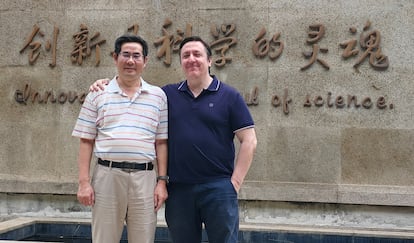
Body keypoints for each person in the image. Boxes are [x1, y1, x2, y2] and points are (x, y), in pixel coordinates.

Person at [90, 36, 257, 243]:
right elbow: (134, 87)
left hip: (218, 188)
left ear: (210, 61)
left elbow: (249, 140)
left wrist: (235, 182)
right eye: (186, 55)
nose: (191, 59)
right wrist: (104, 83)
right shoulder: (166, 95)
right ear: (181, 62)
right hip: (179, 190)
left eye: (197, 54)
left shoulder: (229, 96)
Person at [72, 34, 168, 243]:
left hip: (145, 179)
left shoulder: (158, 96)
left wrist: (162, 182)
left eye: (136, 56)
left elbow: (161, 142)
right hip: (107, 176)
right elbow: (86, 140)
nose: (131, 61)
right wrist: (83, 183)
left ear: (145, 61)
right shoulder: (98, 93)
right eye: (125, 55)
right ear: (115, 58)